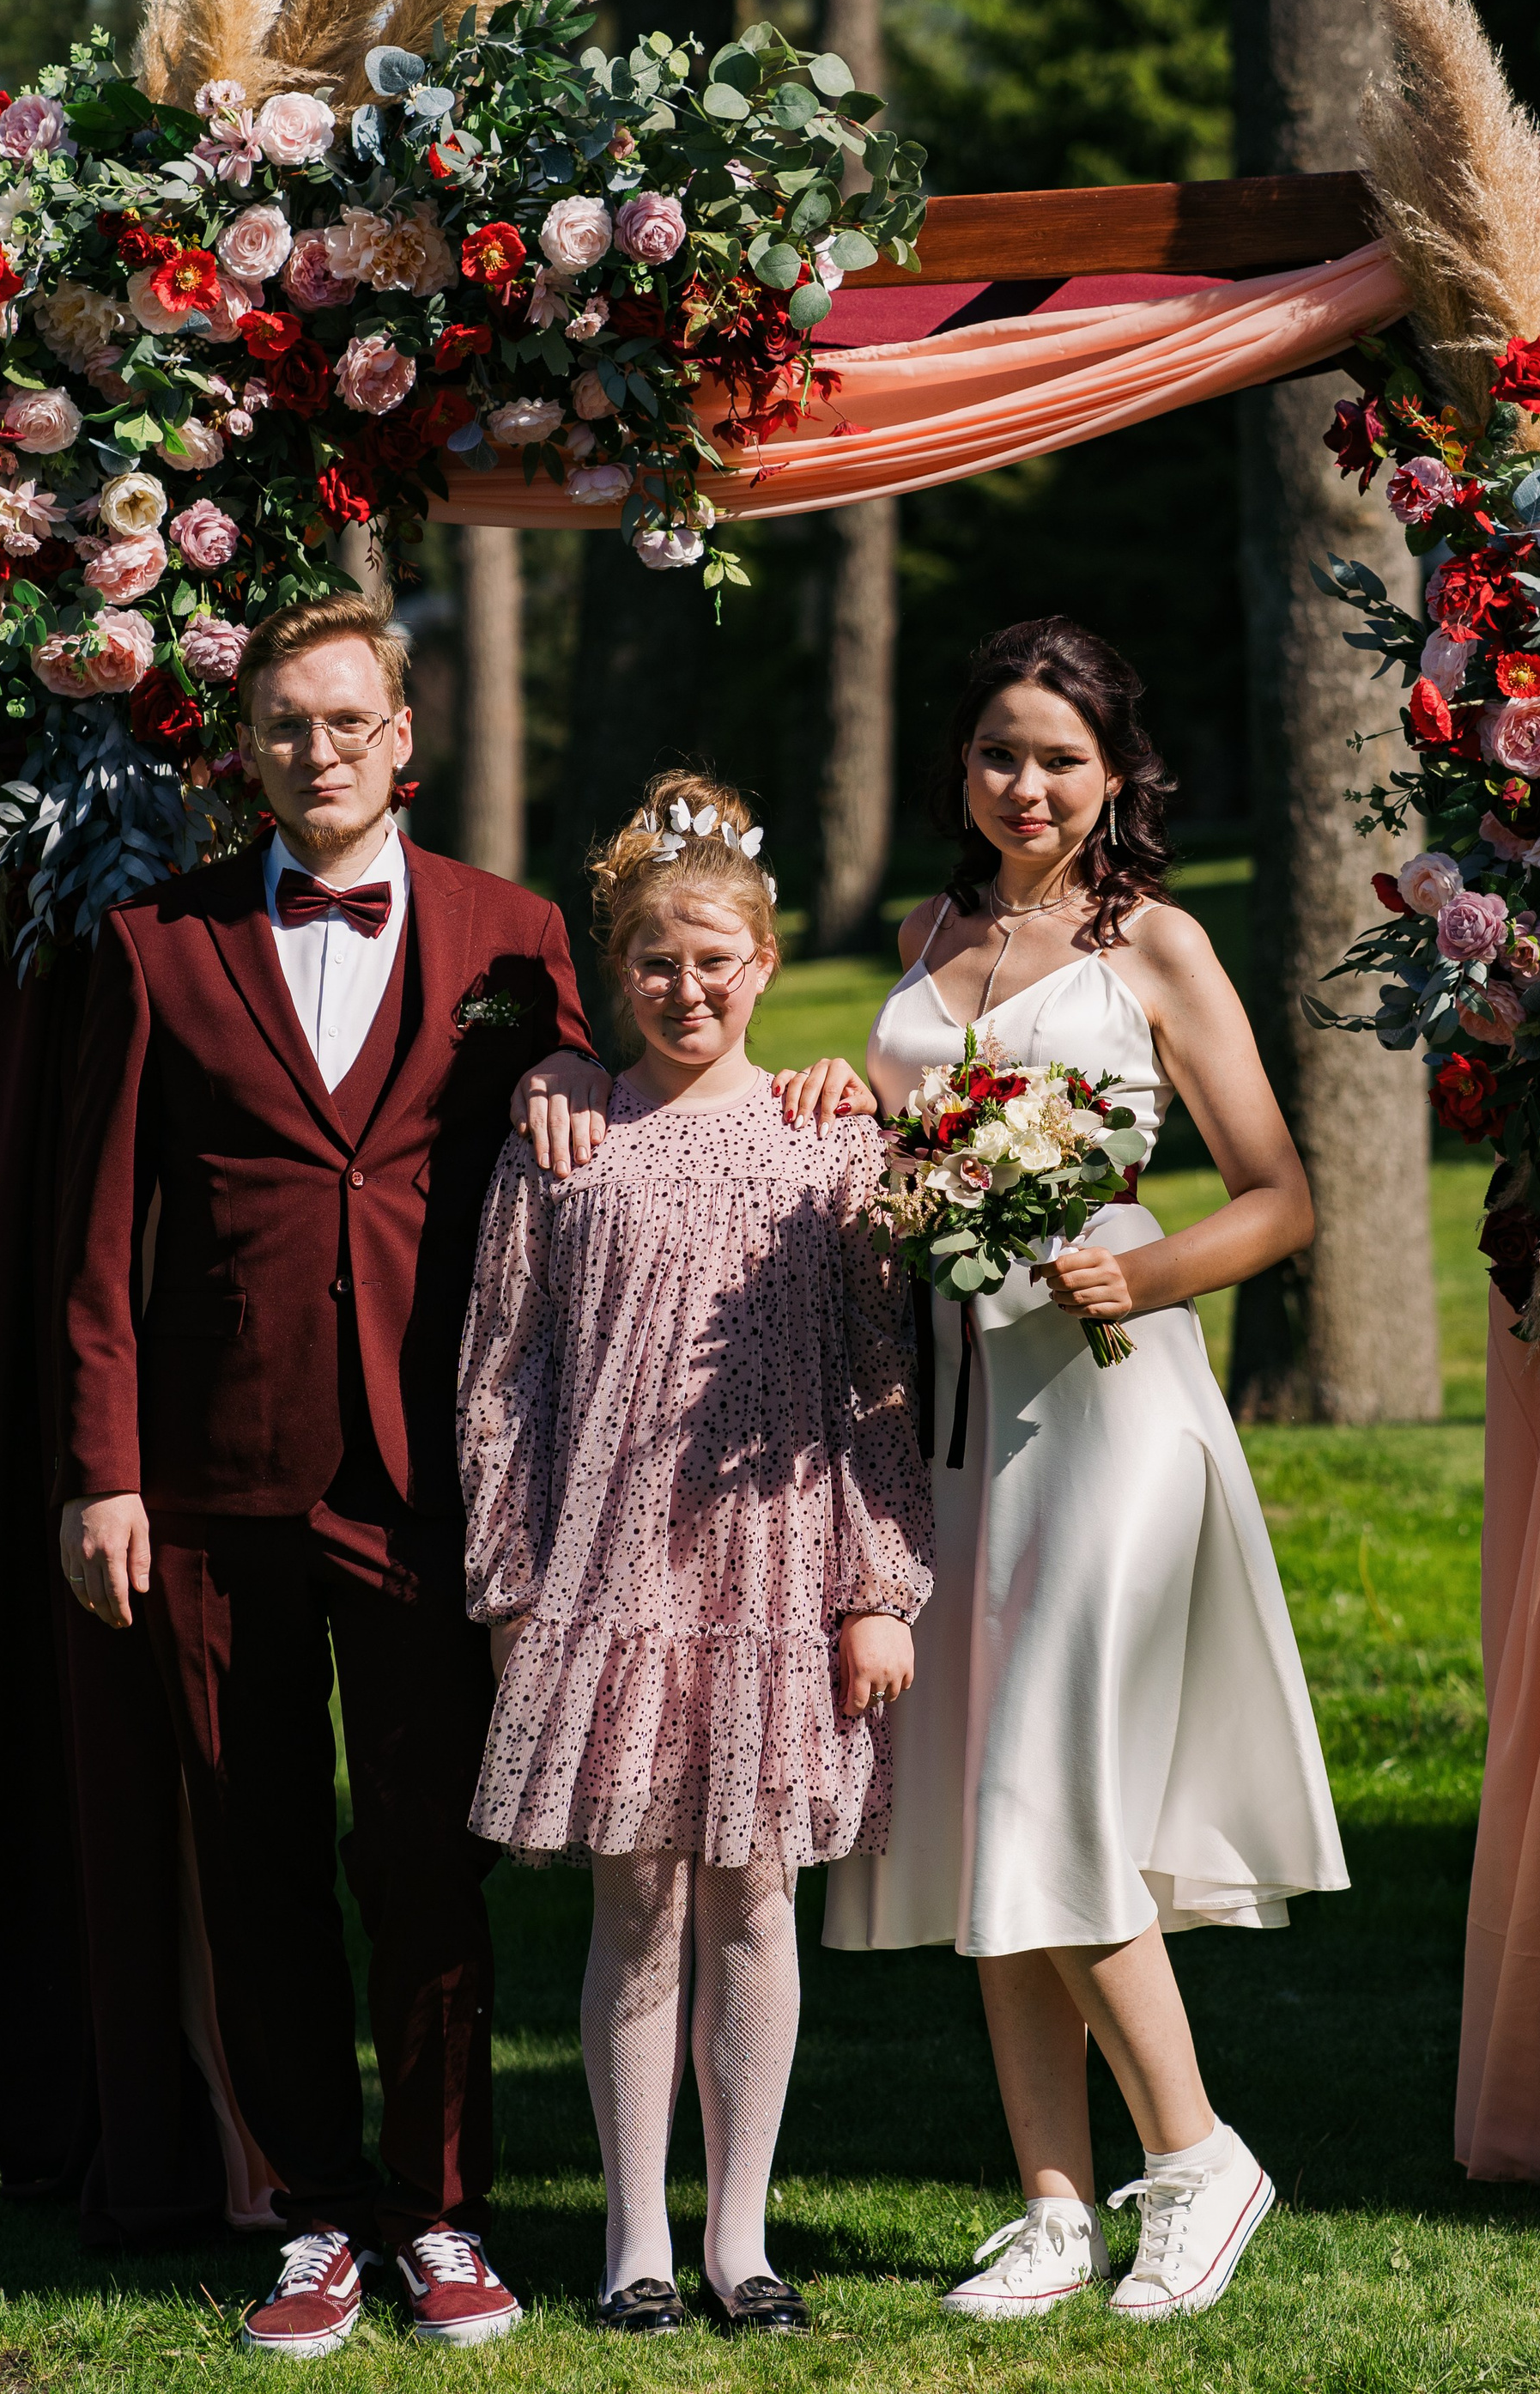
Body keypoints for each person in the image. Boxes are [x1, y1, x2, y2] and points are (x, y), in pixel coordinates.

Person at [51, 585, 613, 2357]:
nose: (317, 750)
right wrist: (101, 1472)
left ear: (405, 740)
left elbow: (605, 1112)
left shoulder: (513, 939)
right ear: (248, 747)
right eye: (284, 724)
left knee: (432, 1861)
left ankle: (443, 2208)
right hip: (216, 1483)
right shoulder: (157, 943)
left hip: (433, 1473)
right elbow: (94, 1240)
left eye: (347, 720)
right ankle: (308, 2213)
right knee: (256, 1847)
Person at [822, 617, 1349, 2322]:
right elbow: (903, 1158)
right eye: (994, 751)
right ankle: (1050, 2204)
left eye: (1056, 755)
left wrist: (1147, 1266)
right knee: (979, 1777)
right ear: (957, 771)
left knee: (1043, 1774)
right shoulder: (925, 935)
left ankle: (1195, 2159)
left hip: (1111, 1404)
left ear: (1113, 771)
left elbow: (1279, 1194)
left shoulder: (1157, 951)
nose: (1024, 783)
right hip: (955, 1413)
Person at [455, 772, 934, 2336]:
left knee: (755, 1899)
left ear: (767, 963)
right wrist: (511, 1575)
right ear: (615, 969)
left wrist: (878, 1582)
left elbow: (879, 1372)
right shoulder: (566, 1144)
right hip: (609, 1572)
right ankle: (632, 2238)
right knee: (636, 1903)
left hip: (776, 1572)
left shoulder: (823, 1142)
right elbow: (502, 1368)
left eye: (717, 959)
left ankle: (743, 2238)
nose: (687, 989)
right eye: (657, 962)